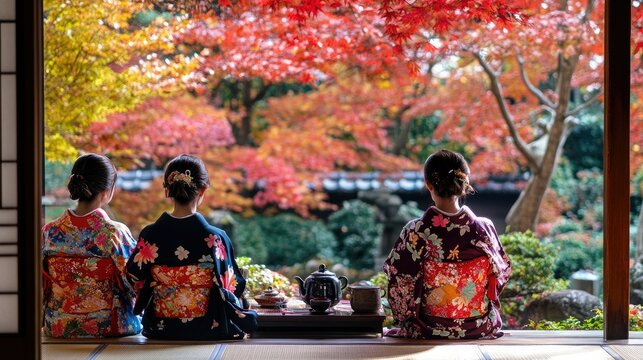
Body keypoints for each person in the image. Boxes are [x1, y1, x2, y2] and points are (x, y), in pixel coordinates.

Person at [383, 149, 511, 339]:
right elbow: (501, 272)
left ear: (428, 184)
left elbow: (398, 279)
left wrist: (404, 317)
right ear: (464, 182)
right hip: (477, 327)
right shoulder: (485, 229)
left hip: (428, 327)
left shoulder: (416, 231)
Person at [126, 154, 256, 340]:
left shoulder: (151, 235)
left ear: (167, 191)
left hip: (160, 328)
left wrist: (160, 289)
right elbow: (232, 285)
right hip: (208, 327)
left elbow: (133, 275)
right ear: (202, 190)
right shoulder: (215, 237)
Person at [41, 153, 141, 338]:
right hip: (107, 325)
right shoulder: (113, 233)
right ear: (107, 191)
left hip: (59, 324)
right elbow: (135, 280)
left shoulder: (50, 231)